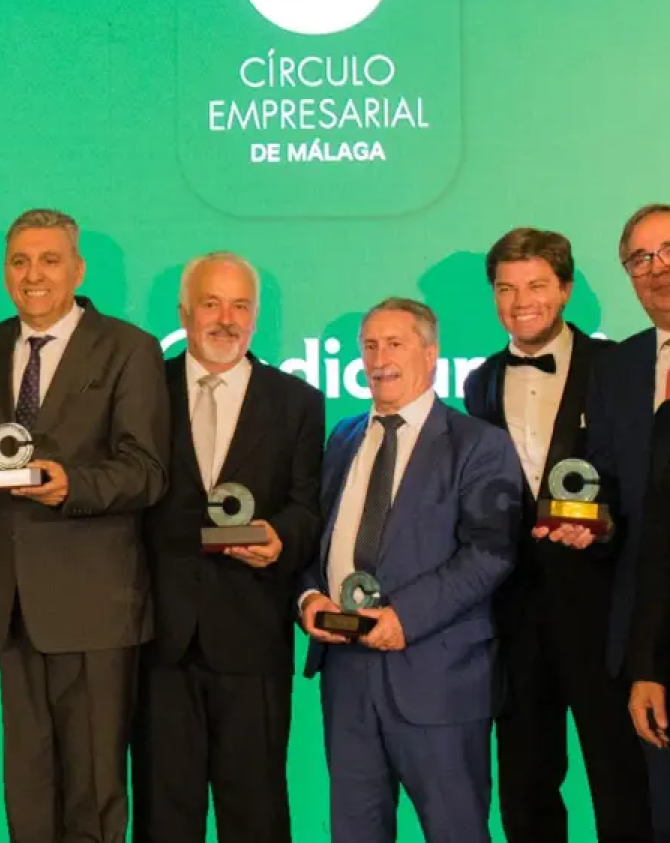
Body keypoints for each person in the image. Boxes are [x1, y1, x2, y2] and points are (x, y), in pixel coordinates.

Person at [0, 207, 170, 843]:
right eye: (20, 261)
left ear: (78, 270)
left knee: (93, 791)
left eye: (49, 260)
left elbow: (147, 471)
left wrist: (72, 486)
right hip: (8, 604)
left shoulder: (129, 348)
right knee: (27, 791)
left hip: (93, 607)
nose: (34, 275)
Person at [298, 298, 518, 843]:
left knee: (455, 831)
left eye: (394, 344)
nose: (380, 359)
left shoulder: (479, 443)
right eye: (370, 346)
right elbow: (317, 540)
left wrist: (405, 618)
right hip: (347, 679)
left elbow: (491, 552)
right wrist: (309, 598)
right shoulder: (343, 437)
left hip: (438, 679)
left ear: (431, 352)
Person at [461, 228, 650, 842]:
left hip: (601, 606)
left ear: (565, 289)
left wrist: (605, 525)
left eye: (537, 285)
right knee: (525, 779)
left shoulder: (618, 365)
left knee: (620, 774)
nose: (522, 302)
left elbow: (644, 480)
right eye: (506, 288)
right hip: (514, 613)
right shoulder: (480, 382)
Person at [132, 252, 322, 843]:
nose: (226, 319)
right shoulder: (142, 389)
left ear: (256, 315)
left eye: (240, 305)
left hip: (254, 637)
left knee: (256, 816)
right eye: (211, 304)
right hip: (160, 641)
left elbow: (308, 507)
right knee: (164, 819)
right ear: (184, 313)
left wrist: (281, 538)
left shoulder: (297, 401)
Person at [612, 204, 670, 833]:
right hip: (652, 641)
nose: (658, 269)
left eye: (669, 250)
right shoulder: (617, 367)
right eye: (641, 259)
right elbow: (651, 536)